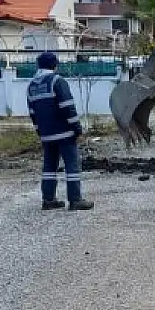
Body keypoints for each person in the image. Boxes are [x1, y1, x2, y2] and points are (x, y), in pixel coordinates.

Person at [26, 52, 94, 211]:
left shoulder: (32, 86)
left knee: (49, 166)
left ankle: (48, 200)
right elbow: (67, 106)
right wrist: (77, 129)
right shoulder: (57, 81)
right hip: (64, 133)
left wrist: (40, 132)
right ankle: (75, 200)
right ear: (55, 65)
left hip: (46, 135)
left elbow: (33, 113)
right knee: (72, 166)